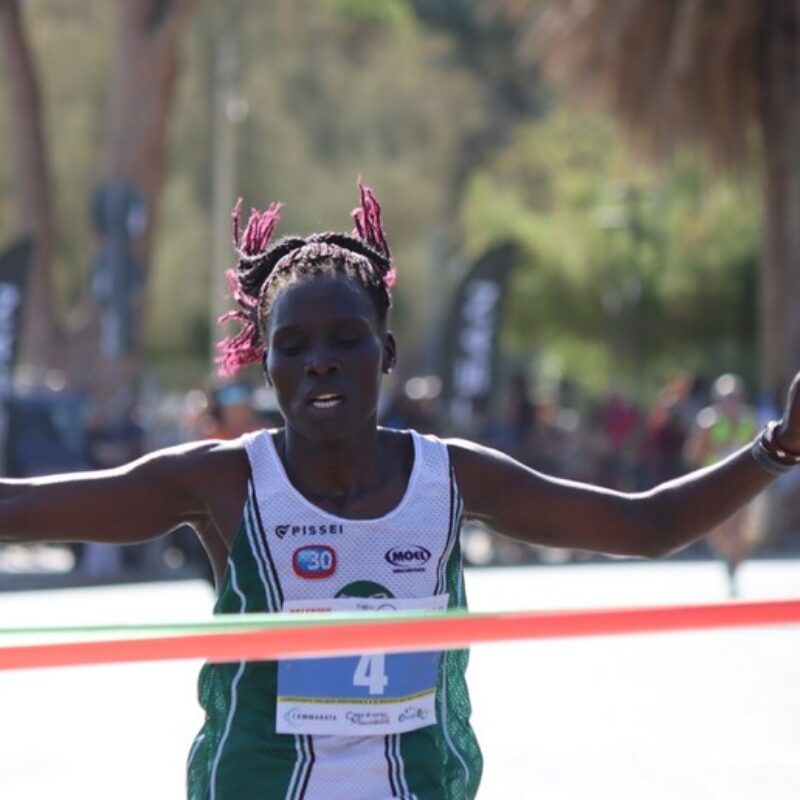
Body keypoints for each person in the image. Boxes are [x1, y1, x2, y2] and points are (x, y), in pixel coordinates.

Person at [2, 180, 800, 800]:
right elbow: (22, 509)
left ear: (383, 353)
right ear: (267, 364)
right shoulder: (223, 480)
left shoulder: (453, 476)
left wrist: (780, 446)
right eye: (296, 346)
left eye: (345, 341)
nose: (320, 362)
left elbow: (649, 525)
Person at [684, 373, 763, 596]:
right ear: (717, 399)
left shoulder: (750, 419)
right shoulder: (707, 421)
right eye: (726, 397)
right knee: (718, 532)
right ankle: (727, 558)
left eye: (735, 396)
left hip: (742, 482)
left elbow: (761, 450)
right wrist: (715, 448)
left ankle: (734, 569)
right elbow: (692, 454)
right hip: (714, 481)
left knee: (739, 529)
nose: (731, 402)